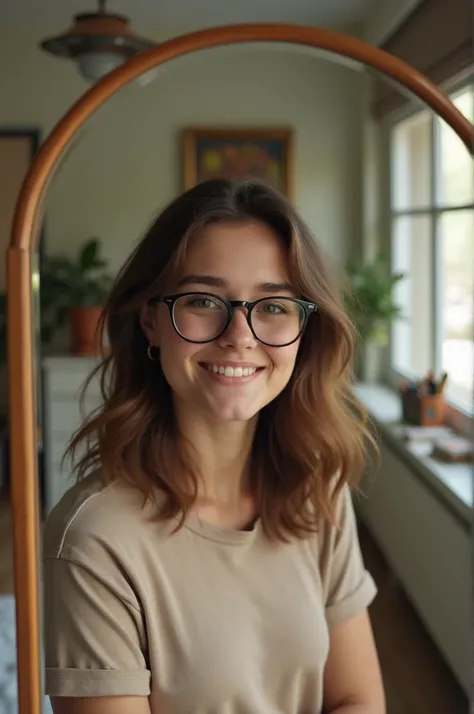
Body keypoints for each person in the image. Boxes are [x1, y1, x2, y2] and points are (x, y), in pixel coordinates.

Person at [43, 178, 386, 714]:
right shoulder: (95, 540)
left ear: (304, 330)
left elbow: (356, 697)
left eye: (274, 306)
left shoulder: (317, 488)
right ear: (152, 321)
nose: (240, 336)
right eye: (204, 300)